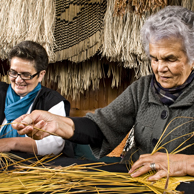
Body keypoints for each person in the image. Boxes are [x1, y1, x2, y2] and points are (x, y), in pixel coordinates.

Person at [12, 5, 194, 179]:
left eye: (170, 59)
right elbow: (102, 126)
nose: (160, 68)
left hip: (181, 185)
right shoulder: (143, 88)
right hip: (134, 177)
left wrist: (185, 163)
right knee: (62, 174)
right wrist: (58, 124)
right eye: (154, 59)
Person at [0, 40, 72, 156]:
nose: (18, 80)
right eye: (13, 72)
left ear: (41, 75)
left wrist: (9, 143)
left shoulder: (53, 101)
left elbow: (54, 145)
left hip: (35, 165)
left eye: (25, 74)